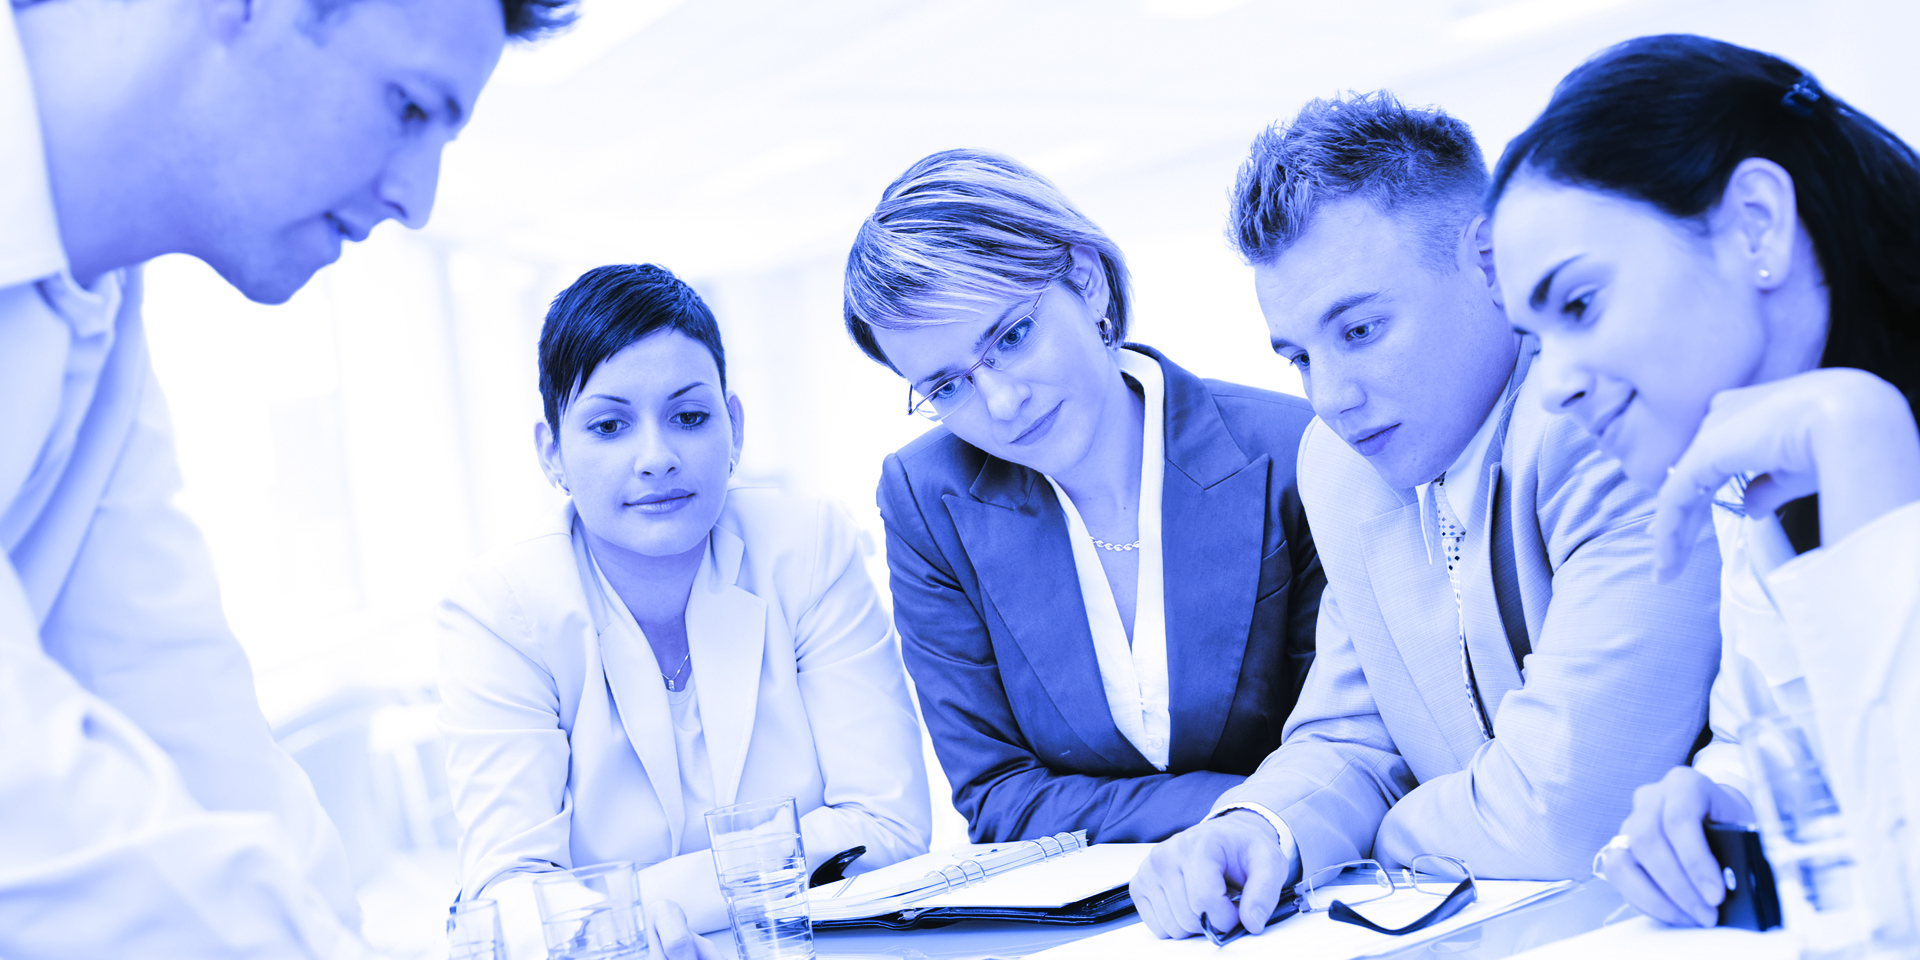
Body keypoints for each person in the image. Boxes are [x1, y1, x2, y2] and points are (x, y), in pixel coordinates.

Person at [0, 0, 565, 955]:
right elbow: (29, 795)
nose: (417, 200)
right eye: (409, 107)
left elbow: (174, 691)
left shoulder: (93, 310)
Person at [1129, 92, 1727, 940]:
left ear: (1489, 262)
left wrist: (1378, 839)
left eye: (1361, 330)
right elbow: (1351, 732)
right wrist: (1262, 829)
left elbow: (1564, 816)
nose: (1330, 397)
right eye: (1299, 357)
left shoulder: (1603, 417)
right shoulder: (1341, 467)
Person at [1487, 34, 1920, 936]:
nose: (1551, 386)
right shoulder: (1753, 472)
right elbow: (1788, 732)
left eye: (1579, 304)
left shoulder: (1839, 430)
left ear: (1756, 224)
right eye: (1535, 340)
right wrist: (1720, 799)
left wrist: (1860, 438)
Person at [438, 264, 932, 957]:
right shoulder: (501, 610)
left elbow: (888, 825)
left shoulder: (809, 546)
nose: (656, 457)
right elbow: (505, 893)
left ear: (734, 427)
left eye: (689, 417)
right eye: (609, 425)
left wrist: (623, 904)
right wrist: (761, 872)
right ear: (552, 454)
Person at [843, 149, 1324, 845]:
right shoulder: (927, 498)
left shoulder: (1292, 450)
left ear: (1087, 282)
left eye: (1012, 336)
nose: (1001, 403)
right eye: (947, 386)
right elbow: (998, 795)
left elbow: (1346, 745)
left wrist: (1258, 819)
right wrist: (1244, 805)